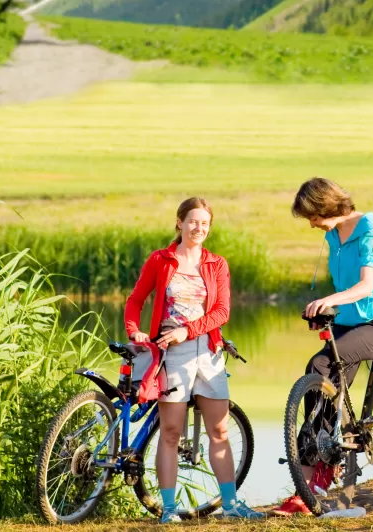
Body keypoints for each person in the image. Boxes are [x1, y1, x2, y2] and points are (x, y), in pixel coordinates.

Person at [124, 197, 263, 522]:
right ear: (179, 223)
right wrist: (135, 331)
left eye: (204, 223)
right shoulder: (161, 260)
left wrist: (189, 331)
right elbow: (136, 300)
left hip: (209, 351)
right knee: (171, 432)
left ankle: (230, 506)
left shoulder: (217, 264)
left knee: (219, 430)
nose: (198, 228)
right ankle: (168, 510)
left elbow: (222, 312)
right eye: (193, 222)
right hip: (172, 354)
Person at [272, 177, 373, 517]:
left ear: (325, 207)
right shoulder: (334, 236)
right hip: (347, 322)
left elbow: (366, 286)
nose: (312, 224)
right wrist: (326, 311)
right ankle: (313, 476)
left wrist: (328, 300)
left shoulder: (369, 232)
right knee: (317, 371)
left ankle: (319, 467)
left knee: (323, 365)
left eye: (312, 216)